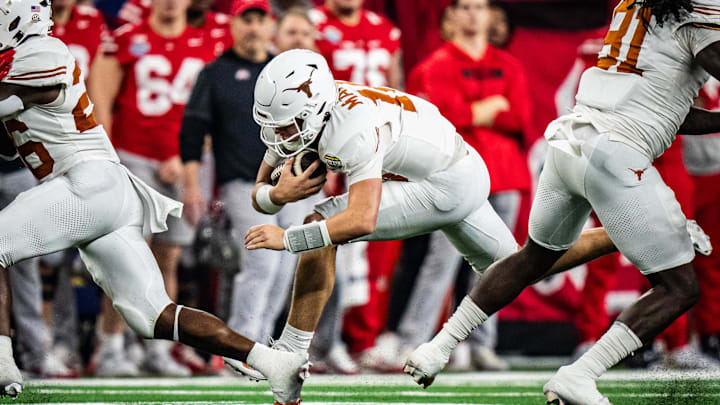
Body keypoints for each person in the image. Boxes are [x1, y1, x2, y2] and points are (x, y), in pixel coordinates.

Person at [242, 48, 626, 399]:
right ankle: (624, 233)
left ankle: (290, 357)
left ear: (314, 109)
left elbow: (361, 220)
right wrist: (275, 197)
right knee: (519, 267)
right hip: (459, 166)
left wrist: (289, 239)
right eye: (275, 125)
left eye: (288, 127)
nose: (280, 137)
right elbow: (263, 187)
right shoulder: (314, 106)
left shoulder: (349, 129)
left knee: (320, 222)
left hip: (444, 183)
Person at [404, 1, 720, 403]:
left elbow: (668, 110)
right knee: (680, 288)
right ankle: (580, 374)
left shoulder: (636, 6)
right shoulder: (697, 14)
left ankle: (438, 346)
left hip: (572, 141)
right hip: (615, 153)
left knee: (533, 257)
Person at [0, 0, 307, 403]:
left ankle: (2, 360)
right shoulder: (22, 56)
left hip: (85, 184)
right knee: (155, 315)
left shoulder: (41, 50)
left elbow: (21, 92)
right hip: (104, 192)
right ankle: (273, 363)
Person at [90, 0, 217, 377]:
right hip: (132, 157)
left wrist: (187, 156)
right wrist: (109, 162)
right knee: (125, 257)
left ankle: (156, 349)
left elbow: (214, 114)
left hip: (181, 162)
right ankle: (111, 346)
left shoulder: (205, 43)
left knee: (167, 260)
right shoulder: (126, 39)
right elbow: (101, 102)